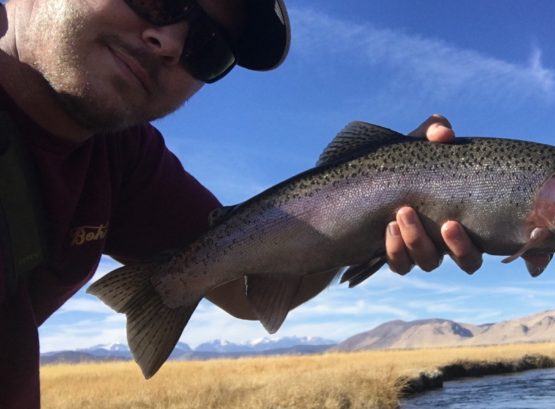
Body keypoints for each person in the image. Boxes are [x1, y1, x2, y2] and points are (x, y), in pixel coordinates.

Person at [0, 0, 483, 407]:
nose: (168, 43)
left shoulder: (124, 155)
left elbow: (246, 291)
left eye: (206, 48)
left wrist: (375, 208)